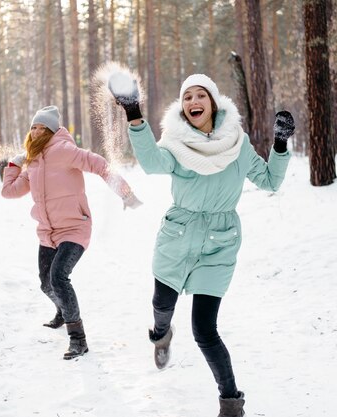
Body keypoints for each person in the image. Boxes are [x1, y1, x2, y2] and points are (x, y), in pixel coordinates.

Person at [109, 74, 294, 416]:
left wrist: (280, 145)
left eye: (200, 96)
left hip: (219, 244)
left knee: (204, 329)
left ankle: (231, 402)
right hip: (178, 235)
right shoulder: (176, 145)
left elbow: (270, 180)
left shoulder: (238, 144)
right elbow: (151, 163)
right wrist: (133, 111)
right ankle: (161, 334)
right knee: (161, 303)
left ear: (213, 102)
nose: (193, 102)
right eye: (187, 97)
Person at [2, 105, 141, 360]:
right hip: (47, 232)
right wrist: (15, 163)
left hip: (75, 228)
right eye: (32, 127)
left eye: (40, 127)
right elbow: (9, 191)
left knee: (58, 278)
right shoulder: (32, 162)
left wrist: (125, 192)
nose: (34, 132)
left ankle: (78, 339)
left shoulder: (65, 151)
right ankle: (62, 311)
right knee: (46, 283)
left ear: (51, 130)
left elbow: (99, 165)